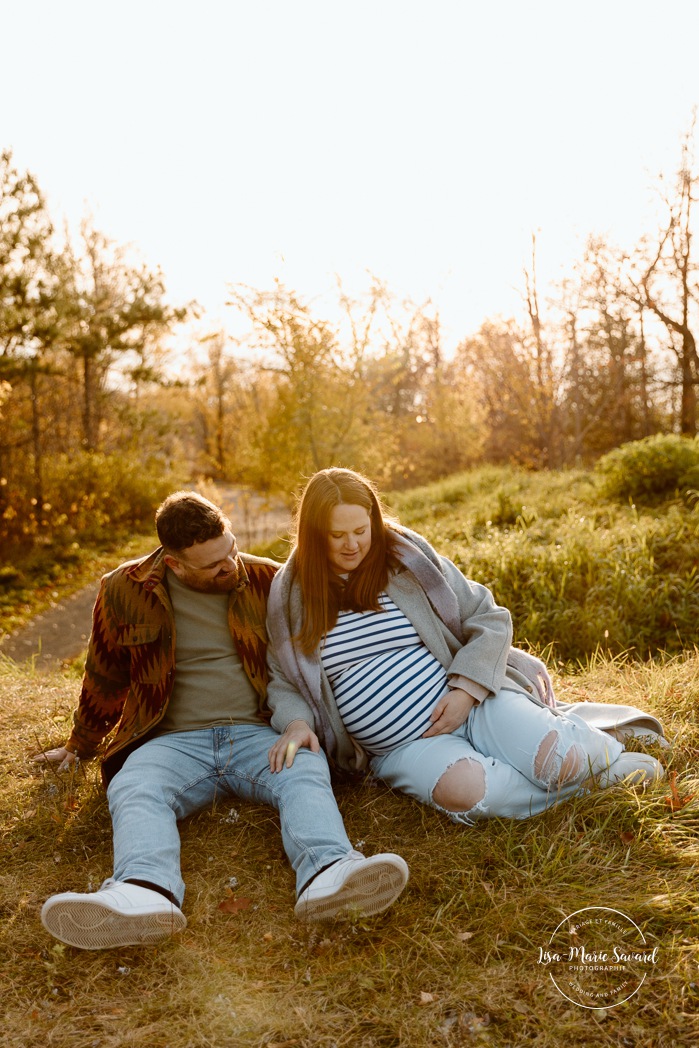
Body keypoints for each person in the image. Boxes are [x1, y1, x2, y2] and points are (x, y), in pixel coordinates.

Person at [33, 491, 409, 950]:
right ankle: (146, 892)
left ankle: (329, 873)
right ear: (174, 565)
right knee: (133, 785)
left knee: (304, 765)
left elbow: (343, 636)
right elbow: (104, 677)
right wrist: (79, 747)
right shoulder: (123, 590)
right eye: (213, 564)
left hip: (259, 733)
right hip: (171, 741)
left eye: (230, 548)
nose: (230, 565)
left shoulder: (269, 579)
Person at [266, 468, 667, 825]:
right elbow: (285, 678)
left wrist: (466, 690)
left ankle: (594, 754)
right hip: (403, 748)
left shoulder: (405, 558)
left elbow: (488, 616)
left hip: (474, 704)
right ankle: (597, 779)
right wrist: (297, 723)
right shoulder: (291, 596)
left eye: (361, 531)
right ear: (314, 535)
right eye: (337, 535)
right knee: (468, 794)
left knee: (557, 760)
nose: (352, 545)